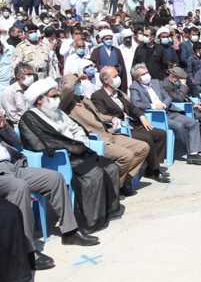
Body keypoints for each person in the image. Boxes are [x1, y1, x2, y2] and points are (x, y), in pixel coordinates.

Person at [1, 110, 100, 272]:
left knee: (54, 178)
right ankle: (27, 251)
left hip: (13, 166)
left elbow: (17, 144)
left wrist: (4, 127)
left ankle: (70, 231)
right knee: (19, 187)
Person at [19, 77, 121, 232]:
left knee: (111, 167)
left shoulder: (58, 113)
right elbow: (42, 143)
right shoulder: (29, 118)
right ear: (40, 99)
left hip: (78, 150)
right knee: (94, 174)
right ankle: (90, 220)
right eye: (53, 96)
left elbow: (76, 128)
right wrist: (71, 147)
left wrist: (79, 142)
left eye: (57, 96)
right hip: (59, 159)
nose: (57, 99)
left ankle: (106, 212)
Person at [59, 74, 149, 194]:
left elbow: (98, 115)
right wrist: (76, 77)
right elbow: (68, 89)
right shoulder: (66, 103)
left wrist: (111, 118)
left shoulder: (84, 99)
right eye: (77, 83)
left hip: (107, 133)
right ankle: (114, 187)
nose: (79, 85)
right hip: (95, 139)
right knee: (126, 156)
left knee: (142, 147)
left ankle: (121, 183)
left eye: (80, 83)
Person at [91, 67, 170, 181]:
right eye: (115, 76)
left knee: (160, 134)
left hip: (132, 124)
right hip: (120, 129)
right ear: (106, 80)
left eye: (118, 75)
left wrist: (142, 117)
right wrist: (122, 123)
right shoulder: (98, 96)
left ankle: (151, 167)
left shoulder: (118, 93)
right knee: (146, 138)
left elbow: (132, 107)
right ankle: (155, 170)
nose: (118, 78)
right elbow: (103, 115)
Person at [129, 64, 201, 165]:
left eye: (147, 72)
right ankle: (190, 154)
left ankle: (194, 151)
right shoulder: (135, 87)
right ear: (137, 77)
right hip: (157, 116)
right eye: (143, 74)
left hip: (169, 111)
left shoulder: (155, 82)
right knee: (179, 126)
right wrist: (153, 106)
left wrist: (163, 104)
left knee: (193, 123)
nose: (147, 75)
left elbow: (167, 97)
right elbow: (135, 103)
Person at [162, 67, 201, 148]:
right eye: (179, 79)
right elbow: (179, 99)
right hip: (180, 109)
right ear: (172, 76)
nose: (181, 82)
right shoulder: (166, 86)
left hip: (188, 105)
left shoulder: (175, 82)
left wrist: (193, 104)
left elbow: (185, 96)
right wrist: (183, 85)